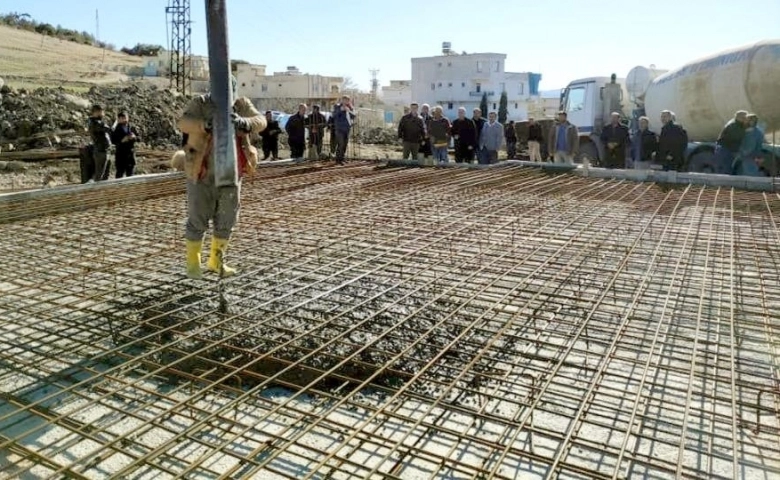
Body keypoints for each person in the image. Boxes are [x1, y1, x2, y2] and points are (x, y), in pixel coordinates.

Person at [171, 75, 266, 279]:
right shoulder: (201, 103)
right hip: (202, 172)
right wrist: (205, 124)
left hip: (231, 173)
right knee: (198, 218)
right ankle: (193, 264)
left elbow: (261, 121)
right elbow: (183, 123)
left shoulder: (241, 105)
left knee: (227, 220)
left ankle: (216, 261)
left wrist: (243, 122)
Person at [713, 110, 748, 174]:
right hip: (725, 149)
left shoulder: (738, 124)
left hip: (728, 149)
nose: (746, 120)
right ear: (740, 118)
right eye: (745, 118)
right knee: (724, 169)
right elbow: (737, 137)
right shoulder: (733, 125)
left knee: (728, 169)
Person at [87, 104, 113, 182]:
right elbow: (107, 129)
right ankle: (95, 191)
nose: (102, 114)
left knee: (105, 174)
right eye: (100, 112)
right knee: (100, 174)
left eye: (102, 112)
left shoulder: (98, 122)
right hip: (100, 151)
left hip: (105, 150)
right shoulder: (95, 123)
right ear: (95, 112)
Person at [110, 111, 138, 178]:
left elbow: (138, 137)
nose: (124, 119)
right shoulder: (115, 129)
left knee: (130, 174)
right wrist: (122, 140)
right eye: (122, 118)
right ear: (119, 119)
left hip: (130, 154)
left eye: (125, 117)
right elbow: (112, 140)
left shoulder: (131, 127)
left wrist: (134, 137)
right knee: (120, 174)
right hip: (121, 154)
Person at [332, 95, 356, 165]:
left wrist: (349, 111)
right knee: (341, 144)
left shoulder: (350, 107)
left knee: (345, 144)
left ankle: (342, 158)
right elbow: (334, 115)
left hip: (347, 129)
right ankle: (338, 159)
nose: (346, 101)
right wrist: (340, 110)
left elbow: (354, 116)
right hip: (339, 129)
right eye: (345, 100)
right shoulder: (337, 106)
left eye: (347, 100)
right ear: (342, 100)